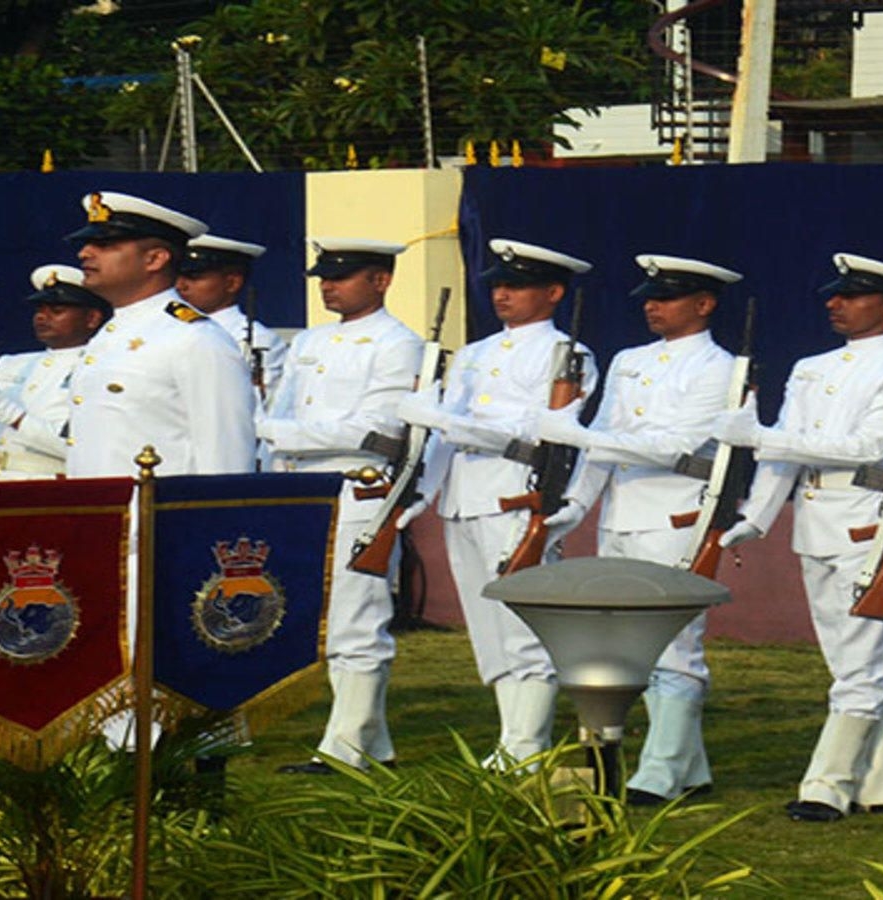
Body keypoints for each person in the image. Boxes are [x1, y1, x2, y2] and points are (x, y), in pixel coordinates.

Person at [715, 253, 883, 822]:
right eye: (834, 294)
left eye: (851, 295)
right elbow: (785, 450)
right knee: (852, 657)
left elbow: (867, 447)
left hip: (867, 519)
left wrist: (761, 438)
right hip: (816, 521)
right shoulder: (812, 366)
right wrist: (756, 516)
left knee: (862, 658)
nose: (834, 303)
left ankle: (826, 785)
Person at [535, 253, 740, 805]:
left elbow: (671, 446)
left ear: (704, 304)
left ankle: (661, 771)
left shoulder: (719, 368)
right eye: (650, 297)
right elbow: (604, 442)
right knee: (627, 645)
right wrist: (576, 506)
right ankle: (688, 767)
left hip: (675, 517)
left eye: (667, 297)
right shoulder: (629, 361)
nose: (652, 306)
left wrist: (570, 432)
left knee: (675, 647)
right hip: (623, 516)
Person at [395, 238, 597, 766]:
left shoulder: (569, 355)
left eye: (517, 286)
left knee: (522, 627)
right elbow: (441, 437)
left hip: (516, 498)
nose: (502, 295)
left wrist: (448, 421)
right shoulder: (476, 353)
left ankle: (527, 746)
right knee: (488, 630)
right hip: (464, 499)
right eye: (498, 286)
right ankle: (511, 739)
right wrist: (420, 492)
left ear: (553, 292)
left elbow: (537, 431)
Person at [261, 239, 424, 775]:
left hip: (360, 491)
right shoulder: (311, 340)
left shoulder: (398, 344)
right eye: (324, 277)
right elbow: (280, 410)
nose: (328, 285)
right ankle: (370, 744)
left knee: (358, 620)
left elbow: (377, 430)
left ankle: (346, 748)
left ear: (380, 281)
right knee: (327, 622)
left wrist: (276, 434)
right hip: (304, 490)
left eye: (344, 276)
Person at [63, 191, 256, 478]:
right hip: (101, 514)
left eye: (105, 244)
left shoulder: (195, 339)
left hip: (159, 517)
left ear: (155, 259)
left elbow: (226, 461)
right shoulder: (109, 335)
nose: (84, 253)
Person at [0, 264, 110, 482]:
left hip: (50, 488)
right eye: (39, 310)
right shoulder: (11, 364)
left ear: (92, 318)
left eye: (56, 311)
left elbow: (80, 448)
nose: (42, 317)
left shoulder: (104, 368)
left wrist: (3, 408)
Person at [176, 233, 290, 407]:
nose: (180, 286)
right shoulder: (168, 328)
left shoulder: (255, 339)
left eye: (193, 277)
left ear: (232, 283)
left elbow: (256, 405)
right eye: (177, 276)